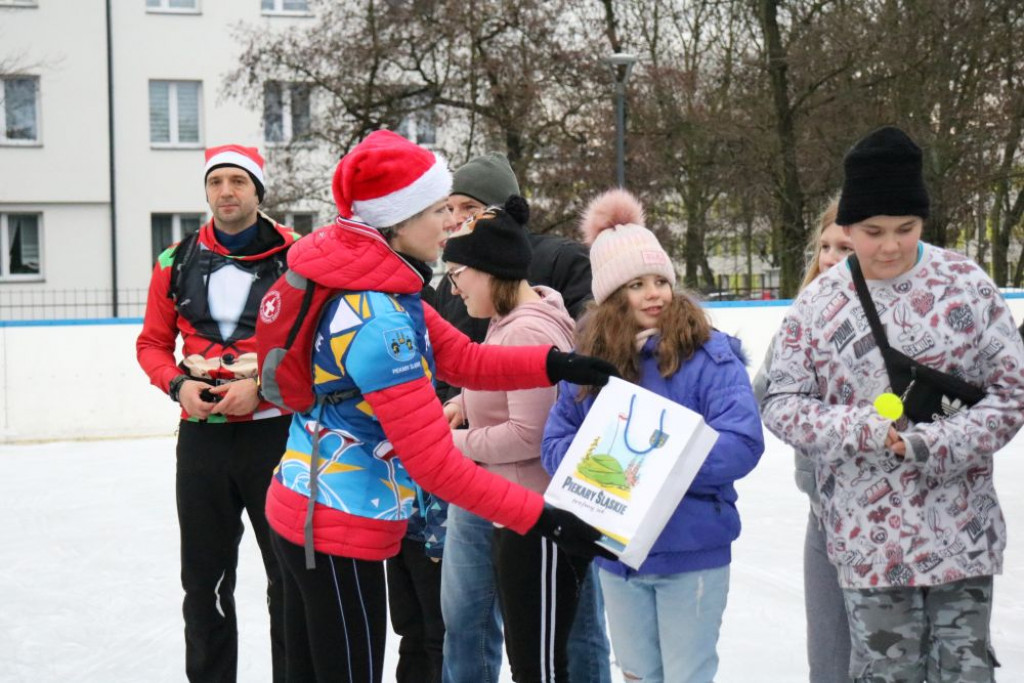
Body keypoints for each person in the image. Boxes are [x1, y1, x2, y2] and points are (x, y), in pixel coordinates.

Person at [261, 130, 616, 683]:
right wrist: (540, 517)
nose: (450, 223)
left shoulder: (388, 292)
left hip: (319, 507)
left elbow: (466, 361)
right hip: (332, 523)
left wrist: (554, 364)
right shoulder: (380, 322)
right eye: (436, 210)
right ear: (397, 221)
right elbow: (432, 463)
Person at [760, 126, 1024, 681]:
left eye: (905, 228)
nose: (889, 246)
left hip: (961, 534)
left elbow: (1010, 393)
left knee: (966, 671)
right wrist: (861, 428)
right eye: (872, 231)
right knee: (886, 671)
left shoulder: (966, 285)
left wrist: (934, 442)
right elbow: (780, 400)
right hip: (868, 540)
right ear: (847, 227)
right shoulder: (820, 303)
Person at [542, 189, 765, 683]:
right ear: (611, 297)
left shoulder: (711, 357)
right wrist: (602, 466)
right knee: (639, 674)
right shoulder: (588, 366)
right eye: (637, 283)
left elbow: (743, 442)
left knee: (686, 674)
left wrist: (664, 469)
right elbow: (556, 443)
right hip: (619, 555)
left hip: (692, 552)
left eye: (661, 279)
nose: (654, 293)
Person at [436, 153, 611, 683]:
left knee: (551, 642)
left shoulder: (527, 323)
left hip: (530, 503)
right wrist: (464, 404)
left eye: (461, 274)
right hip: (487, 491)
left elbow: (527, 430)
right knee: (467, 618)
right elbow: (493, 380)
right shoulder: (501, 319)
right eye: (449, 208)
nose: (455, 286)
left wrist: (449, 448)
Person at [136, 144, 298, 682]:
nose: (225, 192)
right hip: (202, 440)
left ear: (257, 190)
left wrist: (263, 389)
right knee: (204, 583)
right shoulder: (174, 260)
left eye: (237, 181)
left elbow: (313, 347)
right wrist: (177, 384)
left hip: (275, 439)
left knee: (290, 580)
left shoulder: (297, 256)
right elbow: (151, 345)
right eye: (216, 182)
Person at [752, 197, 856, 682]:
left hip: (890, 520)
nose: (832, 258)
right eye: (826, 246)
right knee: (829, 663)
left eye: (845, 248)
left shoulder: (900, 325)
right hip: (824, 519)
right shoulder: (799, 321)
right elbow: (755, 397)